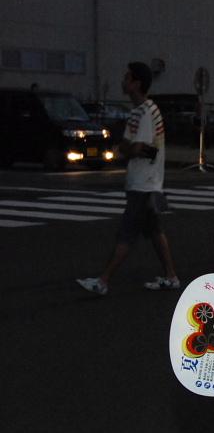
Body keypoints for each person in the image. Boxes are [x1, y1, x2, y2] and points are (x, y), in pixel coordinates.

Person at [77, 62, 178, 295]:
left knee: (127, 233)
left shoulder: (145, 112)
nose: (123, 82)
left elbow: (134, 147)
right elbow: (127, 146)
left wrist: (128, 148)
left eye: (127, 78)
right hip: (145, 181)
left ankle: (103, 281)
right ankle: (171, 276)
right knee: (154, 230)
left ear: (137, 84)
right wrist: (128, 148)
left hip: (144, 183)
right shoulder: (140, 111)